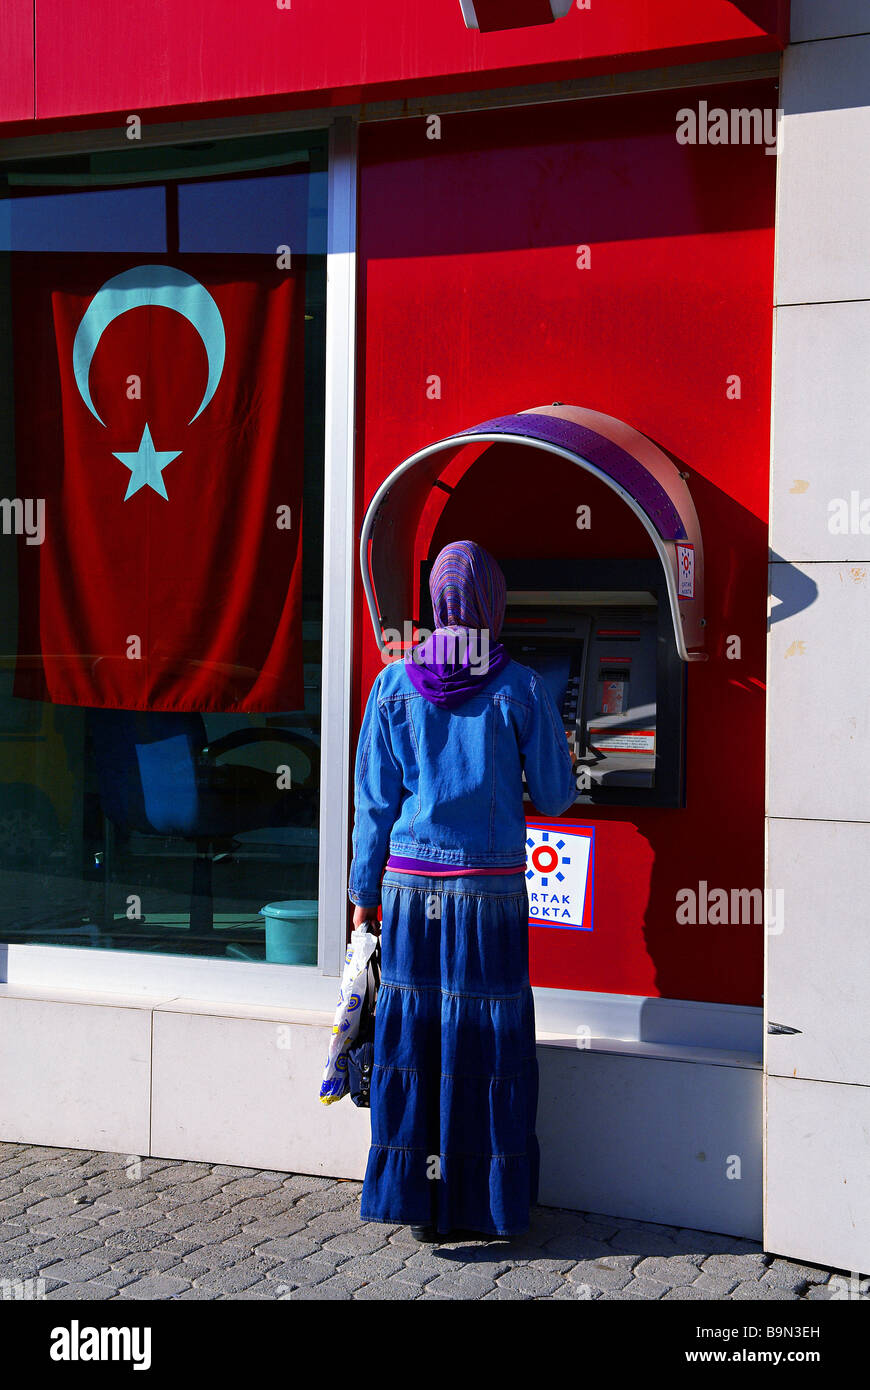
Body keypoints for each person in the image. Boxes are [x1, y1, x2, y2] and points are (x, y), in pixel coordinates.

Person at [348, 539, 577, 1242]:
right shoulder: (522, 686)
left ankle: (414, 1200)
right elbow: (561, 798)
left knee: (415, 1042)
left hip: (413, 892)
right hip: (491, 895)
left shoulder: (391, 685)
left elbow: (373, 807)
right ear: (491, 602)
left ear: (435, 601)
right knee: (486, 1046)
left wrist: (363, 895)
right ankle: (487, 1202)